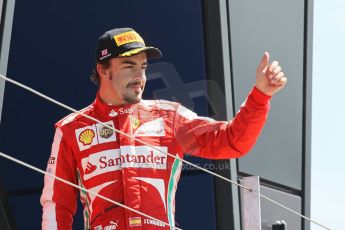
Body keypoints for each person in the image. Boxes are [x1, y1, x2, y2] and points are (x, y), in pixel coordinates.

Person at [40, 27, 287, 230]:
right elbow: (56, 206)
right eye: (129, 66)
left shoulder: (170, 116)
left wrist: (261, 95)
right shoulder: (71, 129)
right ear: (103, 70)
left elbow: (233, 141)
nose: (140, 76)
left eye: (144, 67)